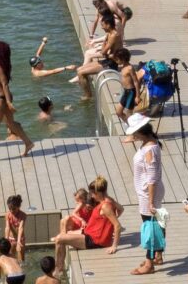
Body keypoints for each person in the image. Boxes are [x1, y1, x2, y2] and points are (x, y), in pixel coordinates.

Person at [51, 175, 122, 269]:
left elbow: (117, 225)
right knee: (64, 234)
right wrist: (108, 222)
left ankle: (57, 271)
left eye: (92, 193)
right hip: (90, 233)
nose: (91, 196)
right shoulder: (109, 200)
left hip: (95, 240)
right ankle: (61, 267)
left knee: (59, 239)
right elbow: (121, 209)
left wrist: (114, 246)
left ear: (98, 193)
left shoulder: (105, 206)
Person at [0, 41, 34, 163]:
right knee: (11, 123)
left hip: (1, 99)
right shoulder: (3, 65)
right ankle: (28, 142)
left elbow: (5, 84)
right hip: (3, 98)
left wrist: (9, 103)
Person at [127, 114, 165, 274]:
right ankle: (158, 254)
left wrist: (150, 202)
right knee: (157, 223)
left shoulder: (149, 150)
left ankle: (149, 263)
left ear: (140, 132)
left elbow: (152, 177)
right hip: (148, 192)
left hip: (148, 193)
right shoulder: (149, 143)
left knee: (149, 227)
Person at [3, 194, 26, 260]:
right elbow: (7, 227)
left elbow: (21, 228)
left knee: (22, 259)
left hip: (21, 239)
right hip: (11, 239)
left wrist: (18, 241)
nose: (11, 211)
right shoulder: (8, 215)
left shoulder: (23, 215)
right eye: (10, 209)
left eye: (14, 209)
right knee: (10, 257)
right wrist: (6, 239)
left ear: (19, 206)